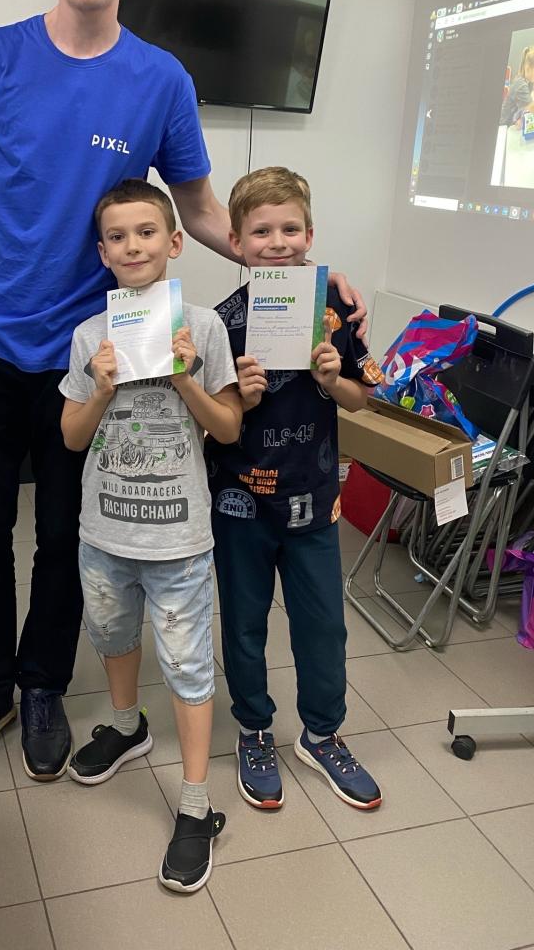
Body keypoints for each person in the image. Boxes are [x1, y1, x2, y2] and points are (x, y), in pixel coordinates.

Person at [0, 0, 367, 781]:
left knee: (64, 539)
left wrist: (298, 270)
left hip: (90, 355)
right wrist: (9, 274)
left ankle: (43, 685)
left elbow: (202, 208)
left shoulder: (160, 79)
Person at [59, 178, 241, 892]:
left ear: (174, 243)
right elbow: (72, 438)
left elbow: (228, 427)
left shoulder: (206, 327)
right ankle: (128, 724)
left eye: (145, 233)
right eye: (117, 237)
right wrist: (101, 386)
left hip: (179, 540)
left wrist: (187, 377)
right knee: (112, 635)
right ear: (102, 253)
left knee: (189, 666)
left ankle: (195, 806)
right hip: (104, 531)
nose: (132, 246)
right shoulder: (90, 336)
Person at [206, 167, 384, 812]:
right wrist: (242, 396)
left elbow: (362, 401)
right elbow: (212, 421)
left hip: (315, 499)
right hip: (241, 502)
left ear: (310, 235)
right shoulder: (220, 324)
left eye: (290, 229)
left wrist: (334, 380)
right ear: (235, 241)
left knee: (323, 625)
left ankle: (322, 734)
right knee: (244, 624)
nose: (277, 242)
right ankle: (254, 728)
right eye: (261, 231)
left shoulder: (335, 314)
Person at [500, 45, 534, 126]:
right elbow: (531, 107)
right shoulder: (520, 84)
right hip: (504, 125)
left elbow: (524, 104)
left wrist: (518, 119)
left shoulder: (529, 82)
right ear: (527, 68)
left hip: (514, 121)